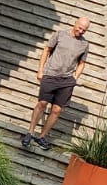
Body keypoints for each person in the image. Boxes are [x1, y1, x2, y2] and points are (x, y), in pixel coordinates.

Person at [21, 16, 90, 151]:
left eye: (84, 30)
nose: (81, 31)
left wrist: (74, 78)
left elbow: (82, 63)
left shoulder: (84, 44)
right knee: (42, 104)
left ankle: (42, 136)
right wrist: (40, 70)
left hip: (66, 81)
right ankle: (30, 132)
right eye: (80, 27)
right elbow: (46, 50)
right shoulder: (60, 35)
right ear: (75, 23)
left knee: (57, 110)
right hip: (50, 75)